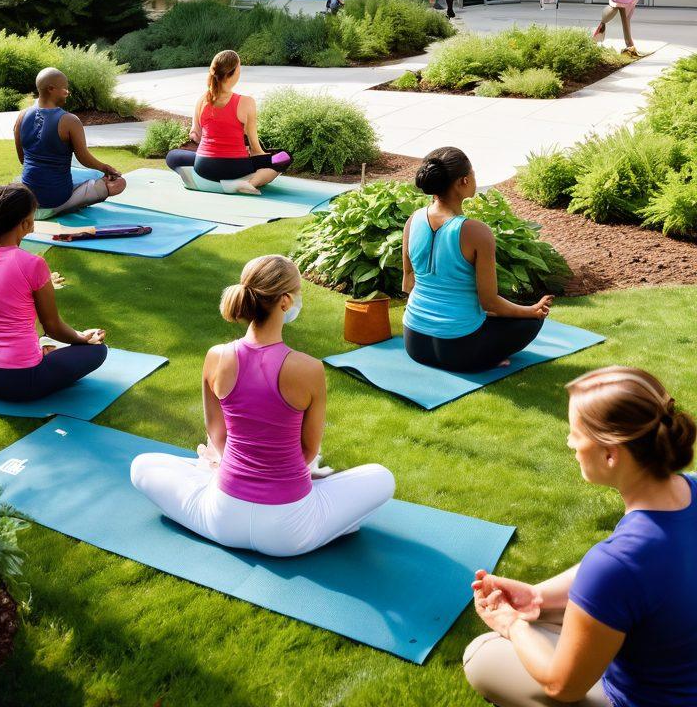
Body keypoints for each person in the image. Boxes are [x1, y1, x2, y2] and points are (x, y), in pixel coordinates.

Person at [130, 255, 395, 556]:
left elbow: (218, 438)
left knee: (141, 466)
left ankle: (214, 476)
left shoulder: (216, 356)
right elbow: (307, 452)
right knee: (381, 478)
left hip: (223, 519)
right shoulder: (308, 369)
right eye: (298, 293)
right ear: (284, 301)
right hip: (289, 532)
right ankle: (332, 522)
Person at [464, 365, 697, 707]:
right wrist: (538, 597)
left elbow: (563, 687)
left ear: (610, 453)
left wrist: (512, 623)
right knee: (550, 616)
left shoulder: (617, 564)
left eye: (575, 432)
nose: (569, 442)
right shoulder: (688, 490)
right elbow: (632, 579)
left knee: (482, 656)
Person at [402, 147, 552, 372]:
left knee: (494, 312)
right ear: (463, 181)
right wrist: (531, 311)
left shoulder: (413, 221)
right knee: (532, 320)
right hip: (460, 350)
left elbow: (408, 283)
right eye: (473, 172)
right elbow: (489, 303)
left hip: (414, 342)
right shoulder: (475, 231)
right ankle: (491, 356)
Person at [0, 184, 107, 402]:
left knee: (44, 349)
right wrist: (82, 338)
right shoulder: (34, 264)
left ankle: (40, 354)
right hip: (20, 380)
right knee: (98, 350)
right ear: (26, 224)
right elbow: (52, 327)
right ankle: (45, 355)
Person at [164, 50, 291, 195]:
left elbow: (195, 136)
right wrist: (265, 159)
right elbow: (256, 149)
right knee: (284, 156)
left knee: (173, 156)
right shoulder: (247, 102)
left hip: (204, 167)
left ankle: (201, 181)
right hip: (236, 169)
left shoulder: (202, 100)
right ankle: (249, 183)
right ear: (235, 71)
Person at [14, 68, 127, 217]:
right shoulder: (69, 120)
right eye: (65, 89)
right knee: (119, 183)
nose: (67, 92)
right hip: (58, 199)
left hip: (29, 197)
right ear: (51, 89)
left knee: (87, 174)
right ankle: (59, 209)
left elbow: (23, 159)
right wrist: (105, 168)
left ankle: (45, 207)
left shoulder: (21, 116)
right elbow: (84, 158)